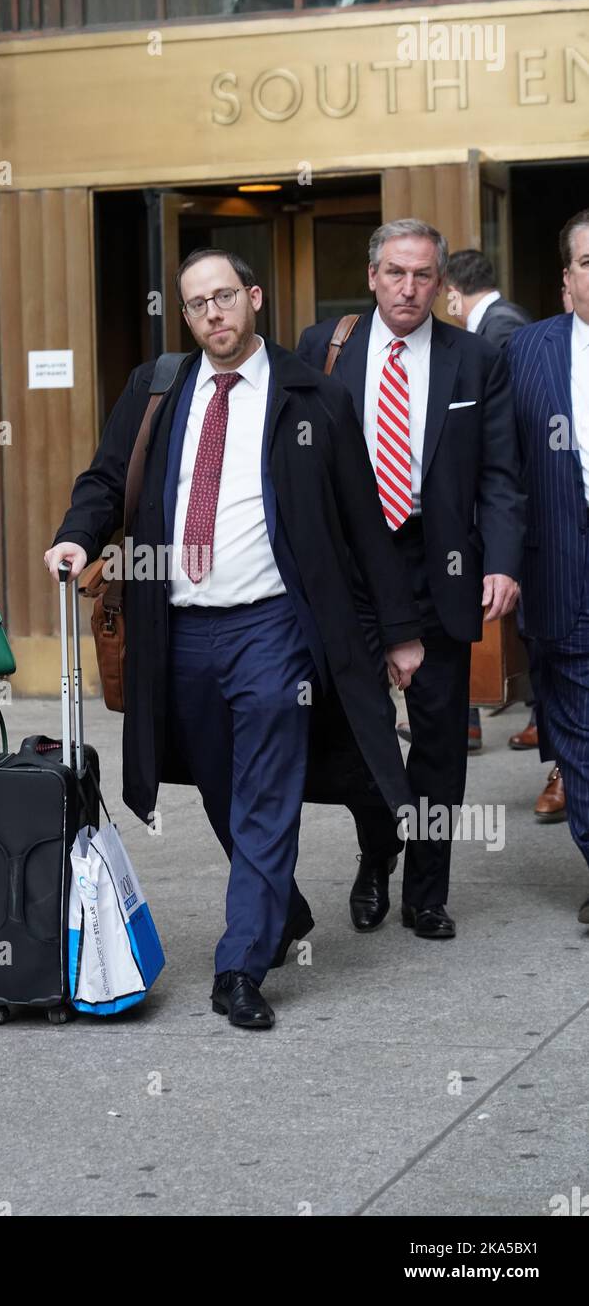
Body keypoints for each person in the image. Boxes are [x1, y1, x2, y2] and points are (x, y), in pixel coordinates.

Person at [45, 249, 424, 1030]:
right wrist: (78, 536)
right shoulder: (158, 390)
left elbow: (363, 522)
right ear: (184, 316)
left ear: (253, 299)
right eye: (196, 304)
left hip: (272, 627)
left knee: (264, 794)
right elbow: (106, 479)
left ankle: (241, 965)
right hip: (178, 627)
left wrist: (399, 632)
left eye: (225, 297)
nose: (213, 313)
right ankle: (280, 909)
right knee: (216, 785)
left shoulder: (311, 394)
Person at [297, 219, 525, 939]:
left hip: (439, 568)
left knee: (437, 741)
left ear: (441, 283)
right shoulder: (323, 349)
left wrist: (502, 560)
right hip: (352, 575)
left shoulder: (475, 358)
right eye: (395, 273)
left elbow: (499, 472)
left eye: (423, 275)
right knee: (357, 737)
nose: (408, 287)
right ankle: (377, 853)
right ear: (371, 276)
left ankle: (428, 892)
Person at [508, 208, 589, 926]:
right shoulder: (528, 352)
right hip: (564, 572)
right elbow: (499, 471)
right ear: (568, 279)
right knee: (578, 732)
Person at [443, 249, 533, 752]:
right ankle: (475, 715)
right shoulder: (506, 320)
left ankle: (490, 715)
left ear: (454, 290)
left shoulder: (496, 328)